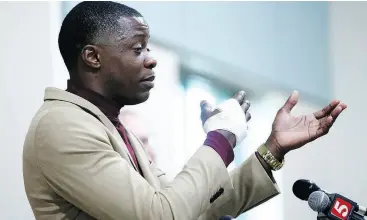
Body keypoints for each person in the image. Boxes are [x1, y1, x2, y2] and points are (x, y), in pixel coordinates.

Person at [22, 1, 347, 220]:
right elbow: (162, 214)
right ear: (92, 57)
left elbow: (195, 207)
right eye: (138, 49)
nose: (151, 59)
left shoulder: (115, 127)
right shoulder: (62, 126)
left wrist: (271, 150)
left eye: (148, 48)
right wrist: (220, 138)